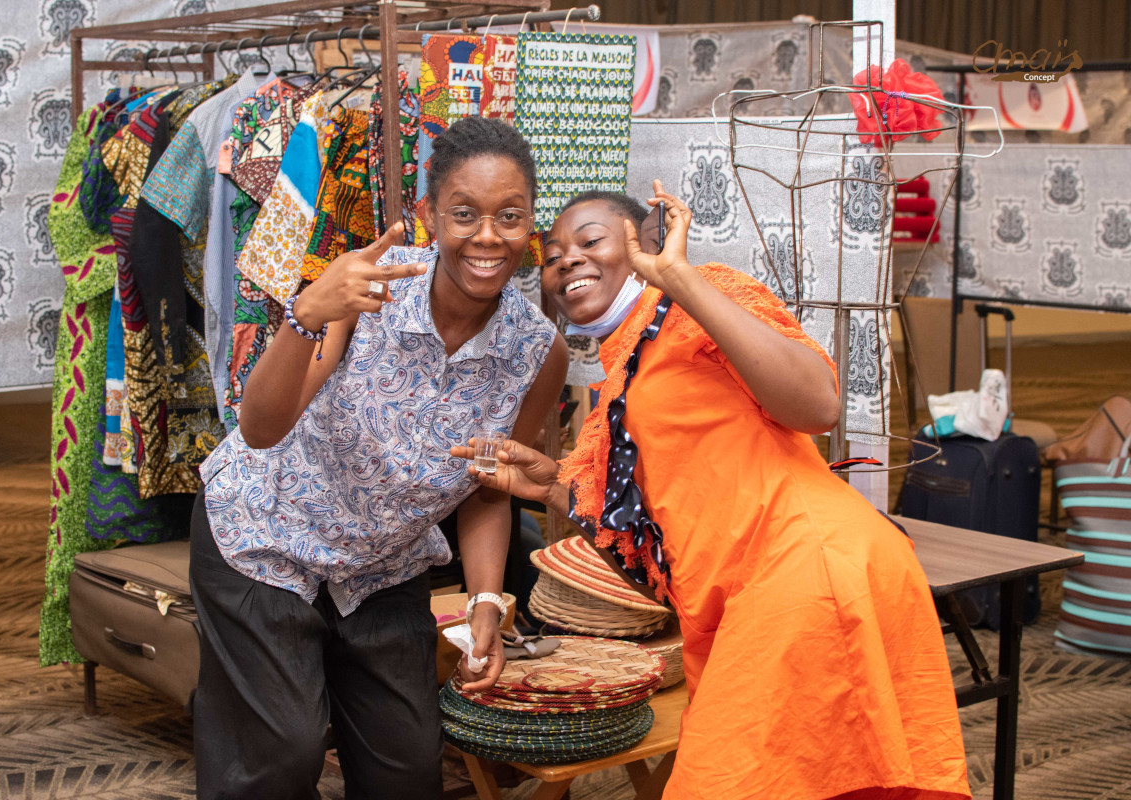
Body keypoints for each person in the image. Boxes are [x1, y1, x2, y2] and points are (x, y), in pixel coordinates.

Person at [453, 185, 971, 800]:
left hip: (805, 570)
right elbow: (646, 520)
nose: (567, 260)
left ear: (643, 242)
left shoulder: (697, 301)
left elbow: (818, 403)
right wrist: (546, 484)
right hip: (762, 588)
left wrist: (680, 279)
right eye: (553, 254)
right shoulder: (624, 370)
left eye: (589, 241)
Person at [190, 116, 568, 800]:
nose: (488, 236)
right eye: (464, 214)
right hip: (265, 536)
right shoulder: (369, 290)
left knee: (407, 772)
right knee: (281, 756)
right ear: (427, 215)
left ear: (530, 224)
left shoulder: (538, 350)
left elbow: (491, 484)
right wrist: (306, 313)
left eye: (509, 217)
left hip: (381, 567)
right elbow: (260, 430)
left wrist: (487, 598)